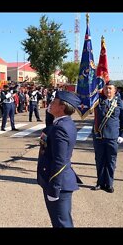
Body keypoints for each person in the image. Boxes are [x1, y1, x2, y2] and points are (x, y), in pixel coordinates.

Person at [37, 91, 81, 228]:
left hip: (59, 184)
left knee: (62, 224)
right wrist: (50, 113)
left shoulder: (60, 128)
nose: (50, 103)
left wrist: (54, 188)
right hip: (60, 182)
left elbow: (59, 161)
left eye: (54, 102)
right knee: (60, 222)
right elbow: (48, 129)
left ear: (62, 107)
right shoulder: (62, 123)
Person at [92, 83, 123, 193]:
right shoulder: (98, 101)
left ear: (115, 90)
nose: (108, 90)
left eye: (110, 89)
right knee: (100, 160)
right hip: (99, 135)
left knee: (111, 161)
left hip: (112, 136)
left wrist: (122, 134)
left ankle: (109, 184)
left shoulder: (119, 102)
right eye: (106, 88)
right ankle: (100, 182)